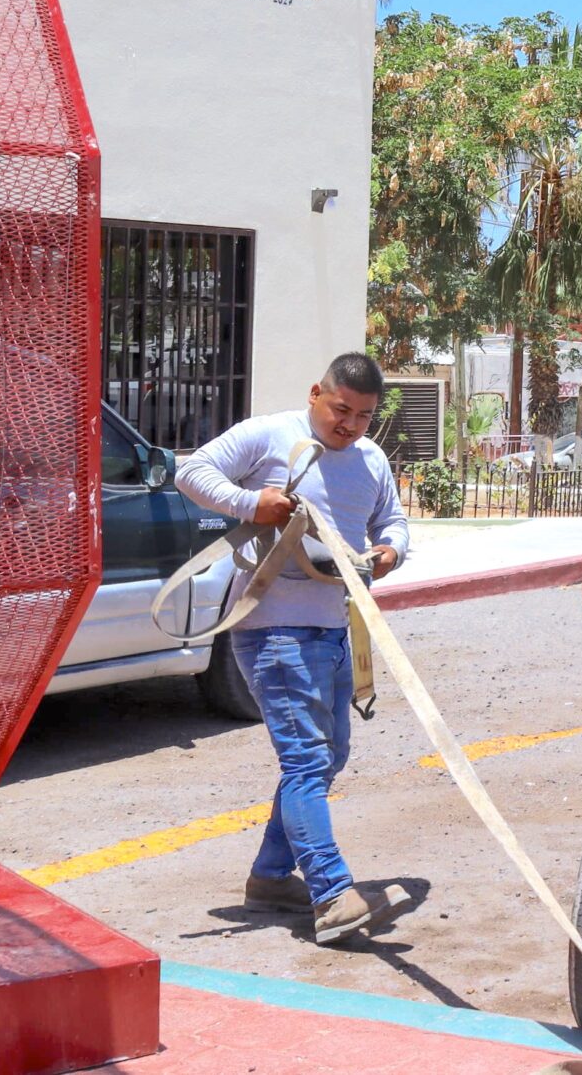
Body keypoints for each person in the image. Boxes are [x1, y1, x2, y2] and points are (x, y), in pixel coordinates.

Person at [177, 352, 409, 945]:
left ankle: (273, 878)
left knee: (328, 758)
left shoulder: (371, 459)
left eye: (363, 416)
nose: (350, 425)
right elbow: (192, 472)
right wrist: (252, 504)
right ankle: (331, 894)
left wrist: (389, 552)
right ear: (315, 394)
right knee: (307, 761)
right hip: (273, 630)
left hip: (334, 628)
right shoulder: (269, 435)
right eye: (340, 410)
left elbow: (394, 522)